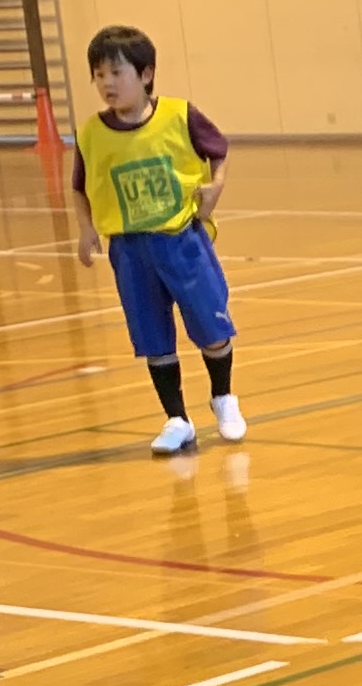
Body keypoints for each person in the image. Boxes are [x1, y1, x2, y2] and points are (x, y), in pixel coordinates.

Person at [71, 25, 241, 456]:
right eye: (99, 75)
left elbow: (218, 151)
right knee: (152, 336)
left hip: (181, 240)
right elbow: (79, 186)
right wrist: (86, 228)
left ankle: (223, 397)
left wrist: (215, 187)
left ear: (145, 74)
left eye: (116, 73)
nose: (107, 83)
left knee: (211, 325)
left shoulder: (179, 116)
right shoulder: (91, 133)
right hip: (130, 250)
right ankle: (177, 419)